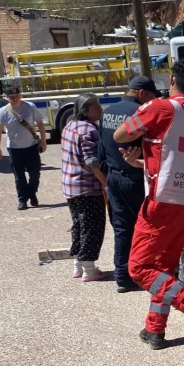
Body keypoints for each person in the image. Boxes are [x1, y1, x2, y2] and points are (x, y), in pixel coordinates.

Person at [113, 59, 184, 351]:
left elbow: (120, 135)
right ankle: (154, 330)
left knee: (139, 267)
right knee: (163, 268)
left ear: (172, 79)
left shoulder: (162, 107)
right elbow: (173, 157)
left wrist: (142, 125)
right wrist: (142, 161)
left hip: (164, 200)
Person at [98, 77, 160, 293]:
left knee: (123, 228)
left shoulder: (107, 111)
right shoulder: (140, 113)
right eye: (151, 97)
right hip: (135, 176)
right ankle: (144, 273)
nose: (151, 102)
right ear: (142, 93)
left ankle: (123, 277)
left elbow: (101, 150)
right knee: (145, 227)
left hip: (113, 177)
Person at [61, 93, 108, 282]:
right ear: (85, 110)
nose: (100, 109)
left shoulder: (69, 126)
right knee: (92, 226)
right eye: (96, 106)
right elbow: (92, 162)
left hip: (70, 186)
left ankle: (78, 266)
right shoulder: (88, 130)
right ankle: (89, 269)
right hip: (88, 187)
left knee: (79, 225)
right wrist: (106, 184)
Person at [0, 86, 48, 210]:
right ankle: (22, 200)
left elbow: (40, 123)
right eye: (12, 97)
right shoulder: (3, 111)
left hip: (31, 147)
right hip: (14, 149)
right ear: (7, 98)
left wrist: (43, 141)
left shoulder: (30, 107)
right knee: (19, 177)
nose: (15, 99)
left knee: (35, 174)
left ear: (21, 96)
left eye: (17, 96)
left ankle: (32, 193)